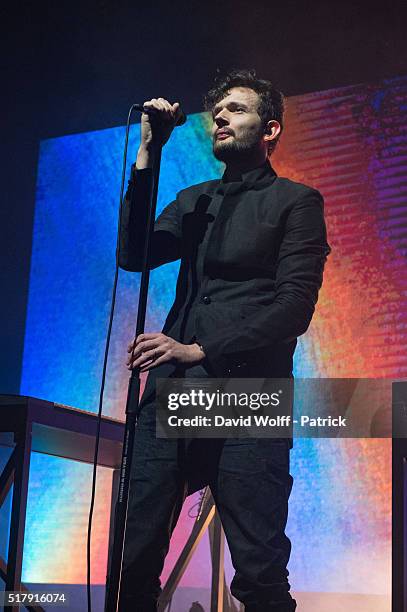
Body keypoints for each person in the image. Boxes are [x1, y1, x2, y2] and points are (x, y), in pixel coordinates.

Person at [118, 69, 331, 612]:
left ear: (271, 128)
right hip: (176, 393)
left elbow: (294, 308)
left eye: (236, 110)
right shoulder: (195, 200)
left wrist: (203, 349)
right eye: (218, 111)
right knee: (135, 552)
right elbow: (134, 253)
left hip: (247, 392)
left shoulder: (296, 202)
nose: (220, 117)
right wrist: (149, 152)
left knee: (258, 566)